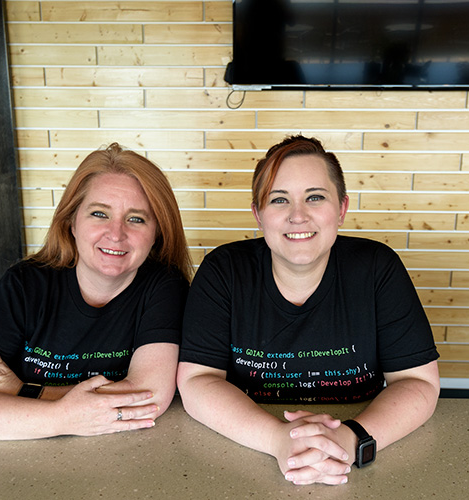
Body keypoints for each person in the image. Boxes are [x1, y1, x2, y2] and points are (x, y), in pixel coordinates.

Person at [177, 135, 440, 485]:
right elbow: (196, 381)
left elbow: (418, 381)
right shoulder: (224, 271)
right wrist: (278, 440)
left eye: (315, 197)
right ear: (258, 215)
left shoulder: (377, 268)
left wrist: (350, 439)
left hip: (355, 452)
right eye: (278, 199)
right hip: (247, 448)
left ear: (342, 209)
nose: (297, 215)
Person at [0, 143, 192, 440]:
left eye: (136, 219)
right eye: (99, 214)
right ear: (71, 223)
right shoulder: (25, 284)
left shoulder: (165, 287)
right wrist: (62, 419)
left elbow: (146, 398)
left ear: (157, 233)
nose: (116, 234)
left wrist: (20, 391)